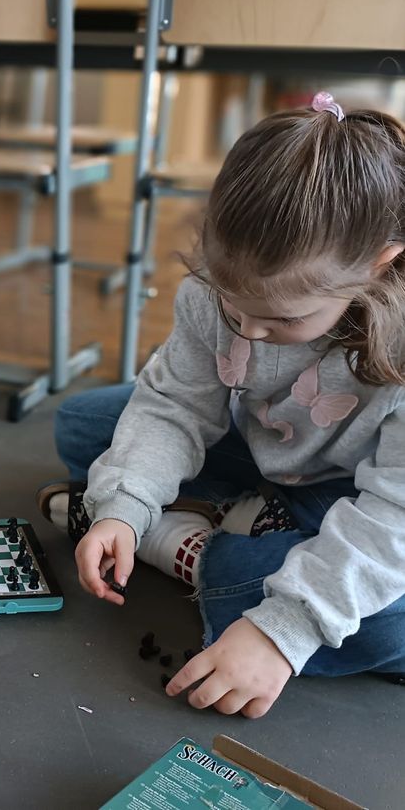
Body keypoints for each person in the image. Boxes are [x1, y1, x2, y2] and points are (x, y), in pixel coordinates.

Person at [40, 93, 405, 717]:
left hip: (364, 494)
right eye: (232, 305)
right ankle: (243, 524)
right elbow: (174, 405)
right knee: (83, 425)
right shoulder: (212, 292)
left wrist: (283, 628)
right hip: (265, 450)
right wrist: (124, 507)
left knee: (383, 624)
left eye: (280, 318)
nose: (249, 332)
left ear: (376, 268)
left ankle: (206, 555)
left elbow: (393, 513)